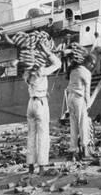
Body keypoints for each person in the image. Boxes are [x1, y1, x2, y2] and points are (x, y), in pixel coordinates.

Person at [23, 41, 61, 174]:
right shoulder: (42, 71)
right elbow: (58, 64)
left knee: (31, 135)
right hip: (41, 103)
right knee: (43, 135)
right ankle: (42, 166)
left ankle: (30, 166)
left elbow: (32, 82)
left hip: (30, 103)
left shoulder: (27, 73)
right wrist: (47, 52)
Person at [66, 54, 96, 159]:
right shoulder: (86, 72)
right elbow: (87, 92)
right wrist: (88, 105)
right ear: (88, 62)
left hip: (69, 98)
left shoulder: (73, 70)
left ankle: (73, 150)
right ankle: (85, 150)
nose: (92, 66)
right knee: (83, 124)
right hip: (79, 99)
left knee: (73, 124)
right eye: (92, 64)